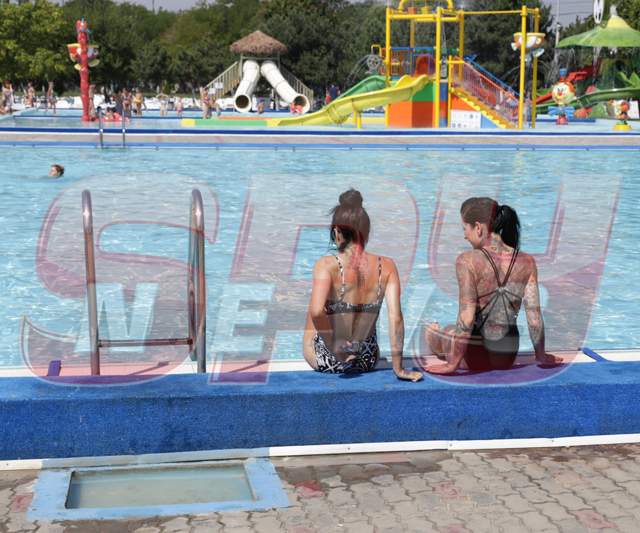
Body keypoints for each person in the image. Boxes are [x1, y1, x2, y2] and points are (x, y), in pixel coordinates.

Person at [425, 197, 562, 374]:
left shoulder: (467, 261)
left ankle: (432, 333)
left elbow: (466, 319)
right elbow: (534, 317)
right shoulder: (527, 262)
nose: (464, 235)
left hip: (476, 356)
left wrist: (452, 364)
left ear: (478, 227)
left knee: (445, 333)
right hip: (507, 354)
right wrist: (541, 355)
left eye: (465, 229)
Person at [303, 189, 423, 381]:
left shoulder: (326, 265)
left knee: (315, 307)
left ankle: (338, 346)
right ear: (366, 232)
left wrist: (336, 350)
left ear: (337, 232)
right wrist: (399, 368)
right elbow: (396, 319)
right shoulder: (388, 266)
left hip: (330, 359)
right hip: (366, 359)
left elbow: (317, 313)